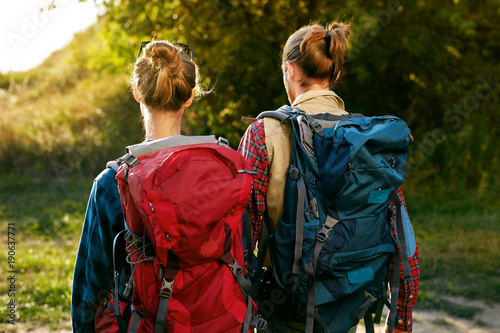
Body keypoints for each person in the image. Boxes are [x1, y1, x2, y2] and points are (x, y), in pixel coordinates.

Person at [238, 22, 420, 332]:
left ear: (291, 70)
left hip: (284, 312)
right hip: (350, 308)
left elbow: (239, 244)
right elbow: (405, 246)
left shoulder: (264, 133)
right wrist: (400, 322)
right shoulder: (371, 140)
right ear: (333, 74)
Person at [71, 40, 207, 332]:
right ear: (190, 97)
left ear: (137, 92)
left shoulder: (112, 182)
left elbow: (90, 290)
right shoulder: (221, 174)